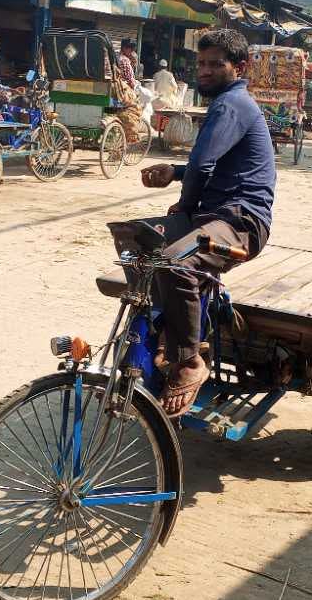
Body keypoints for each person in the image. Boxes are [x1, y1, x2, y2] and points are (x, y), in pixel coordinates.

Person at [114, 29, 275, 417]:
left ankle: (189, 361)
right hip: (214, 215)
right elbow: (209, 166)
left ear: (239, 67)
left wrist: (181, 205)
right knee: (132, 243)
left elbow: (204, 167)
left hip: (242, 220)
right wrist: (173, 171)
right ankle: (166, 333)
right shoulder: (226, 104)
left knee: (174, 262)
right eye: (200, 63)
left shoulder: (231, 104)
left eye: (215, 64)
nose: (204, 71)